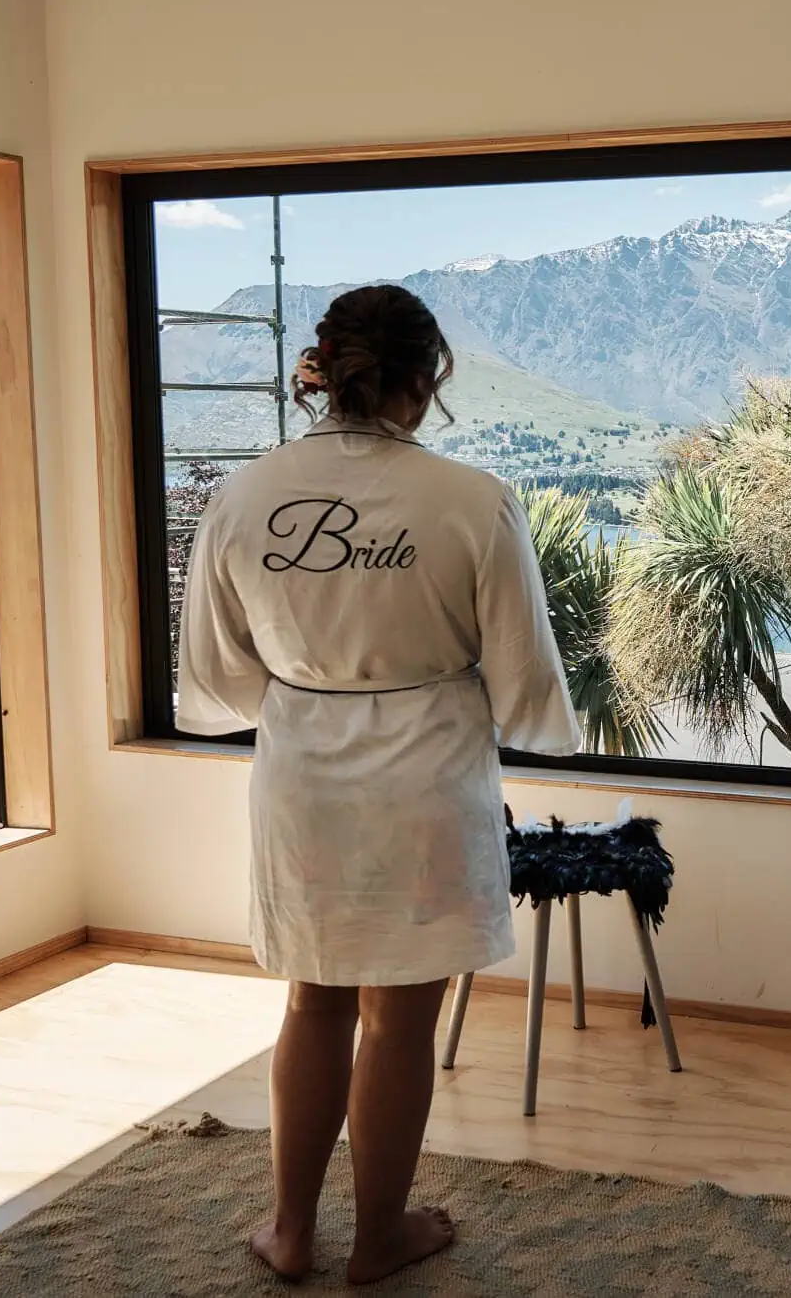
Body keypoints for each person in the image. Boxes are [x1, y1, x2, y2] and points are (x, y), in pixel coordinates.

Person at [177, 284, 580, 1283]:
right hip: (428, 779)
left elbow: (222, 677)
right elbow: (523, 675)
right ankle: (375, 1238)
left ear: (323, 371)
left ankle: (290, 1228)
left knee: (313, 1002)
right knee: (400, 1021)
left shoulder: (245, 495)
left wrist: (304, 683)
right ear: (427, 377)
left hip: (303, 771)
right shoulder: (472, 500)